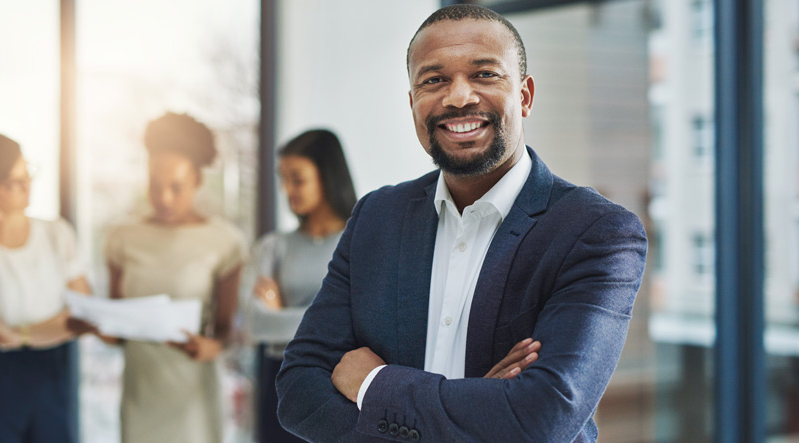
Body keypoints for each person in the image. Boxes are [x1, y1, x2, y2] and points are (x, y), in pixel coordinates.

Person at [275, 5, 647, 442]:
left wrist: (376, 385)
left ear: (525, 96)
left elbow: (543, 416)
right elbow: (298, 391)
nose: (458, 97)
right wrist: (479, 407)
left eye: (485, 74)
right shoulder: (376, 217)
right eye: (434, 80)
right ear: (413, 102)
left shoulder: (597, 231)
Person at [0, 133, 94, 443]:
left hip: (51, 372)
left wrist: (21, 335)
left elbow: (84, 313)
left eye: (27, 176)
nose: (25, 189)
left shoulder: (56, 233)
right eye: (12, 183)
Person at [105, 113, 246, 443]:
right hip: (140, 393)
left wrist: (213, 346)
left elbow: (228, 332)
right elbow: (115, 329)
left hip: (192, 395)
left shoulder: (225, 241)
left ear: (197, 181)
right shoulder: (122, 238)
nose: (164, 198)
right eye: (156, 186)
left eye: (176, 187)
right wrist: (92, 323)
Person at [241, 129, 357, 442]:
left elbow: (360, 322)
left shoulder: (361, 241)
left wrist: (284, 314)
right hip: (280, 383)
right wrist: (328, 323)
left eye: (298, 178)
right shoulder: (272, 247)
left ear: (327, 176)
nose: (287, 189)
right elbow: (256, 324)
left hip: (341, 388)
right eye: (283, 178)